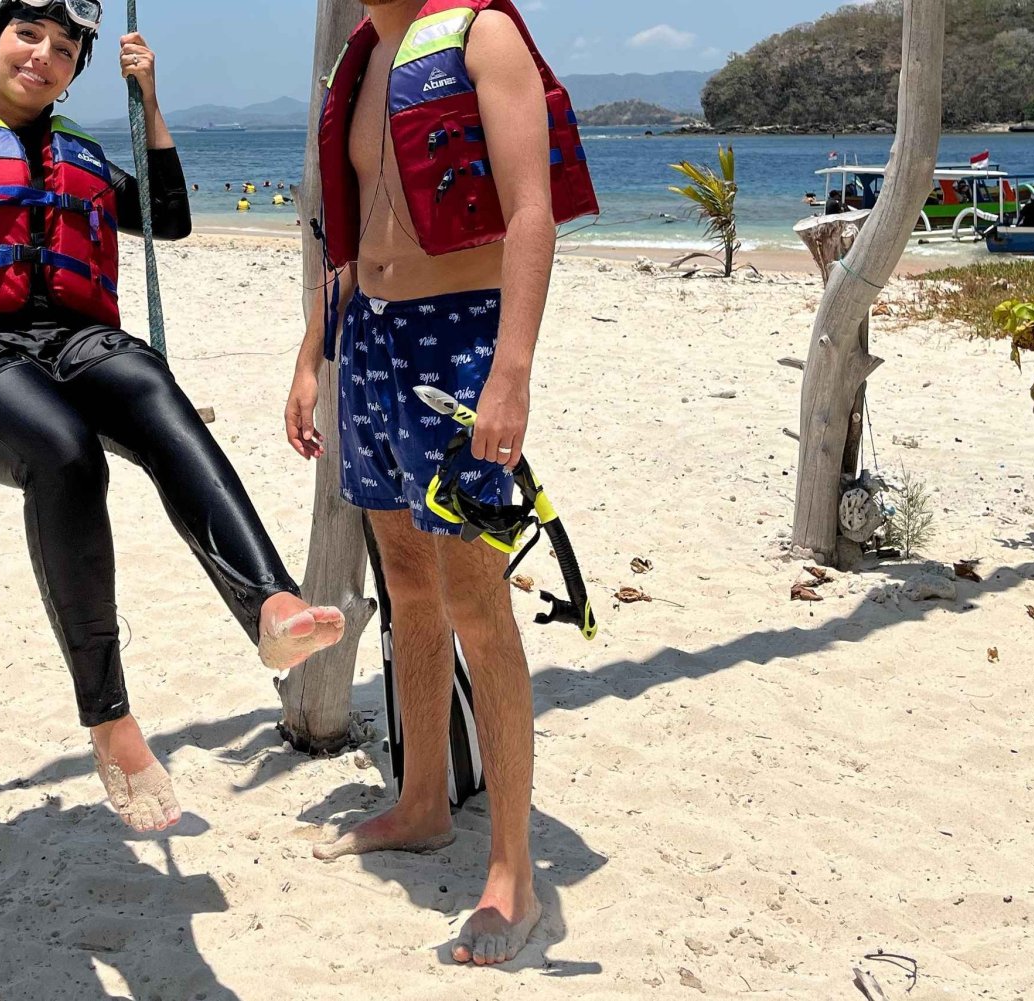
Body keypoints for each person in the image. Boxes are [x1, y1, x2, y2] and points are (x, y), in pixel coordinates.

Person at [0, 1, 344, 833]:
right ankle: (110, 717)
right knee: (67, 449)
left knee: (149, 381)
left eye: (63, 49)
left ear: (77, 70)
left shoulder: (77, 150)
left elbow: (170, 217)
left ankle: (269, 605)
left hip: (70, 346)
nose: (42, 56)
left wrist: (149, 99)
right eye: (28, 36)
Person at [285, 0, 596, 967]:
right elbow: (351, 237)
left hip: (458, 338)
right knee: (408, 587)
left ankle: (515, 870)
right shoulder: (361, 59)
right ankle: (422, 800)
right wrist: (311, 356)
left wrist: (511, 372)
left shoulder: (479, 36)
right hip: (370, 341)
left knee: (476, 600)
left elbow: (531, 210)